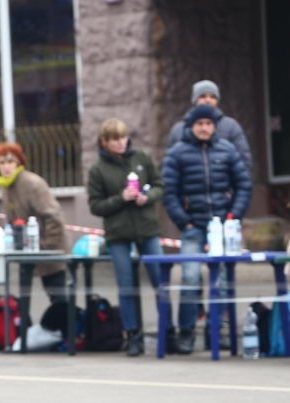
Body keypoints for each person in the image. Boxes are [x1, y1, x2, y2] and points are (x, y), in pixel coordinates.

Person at [162, 103, 252, 354]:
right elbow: (169, 191)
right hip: (193, 226)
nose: (204, 128)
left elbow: (244, 185)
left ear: (214, 126)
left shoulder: (227, 150)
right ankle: (187, 333)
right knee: (190, 278)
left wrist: (233, 215)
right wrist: (184, 221)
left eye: (208, 124)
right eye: (200, 124)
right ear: (191, 126)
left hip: (222, 227)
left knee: (221, 281)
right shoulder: (177, 153)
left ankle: (216, 331)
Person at [87, 118, 169, 357]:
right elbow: (96, 206)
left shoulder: (141, 158)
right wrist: (121, 198)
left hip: (147, 229)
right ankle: (133, 335)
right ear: (104, 142)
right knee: (126, 286)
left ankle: (168, 331)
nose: (121, 143)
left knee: (160, 281)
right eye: (115, 139)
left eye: (123, 137)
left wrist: (148, 197)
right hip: (118, 234)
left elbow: (159, 185)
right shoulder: (97, 169)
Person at [0, 142, 68, 312]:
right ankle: (24, 326)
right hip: (25, 248)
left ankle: (66, 326)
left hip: (48, 247)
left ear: (19, 162)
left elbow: (54, 216)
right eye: (2, 163)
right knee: (23, 296)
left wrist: (46, 246)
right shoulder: (5, 185)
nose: (6, 167)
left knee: (58, 296)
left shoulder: (32, 183)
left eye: (10, 161)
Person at [166, 79, 252, 173]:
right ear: (194, 100)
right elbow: (170, 165)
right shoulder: (179, 129)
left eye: (212, 97)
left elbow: (243, 161)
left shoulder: (231, 126)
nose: (208, 100)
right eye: (203, 96)